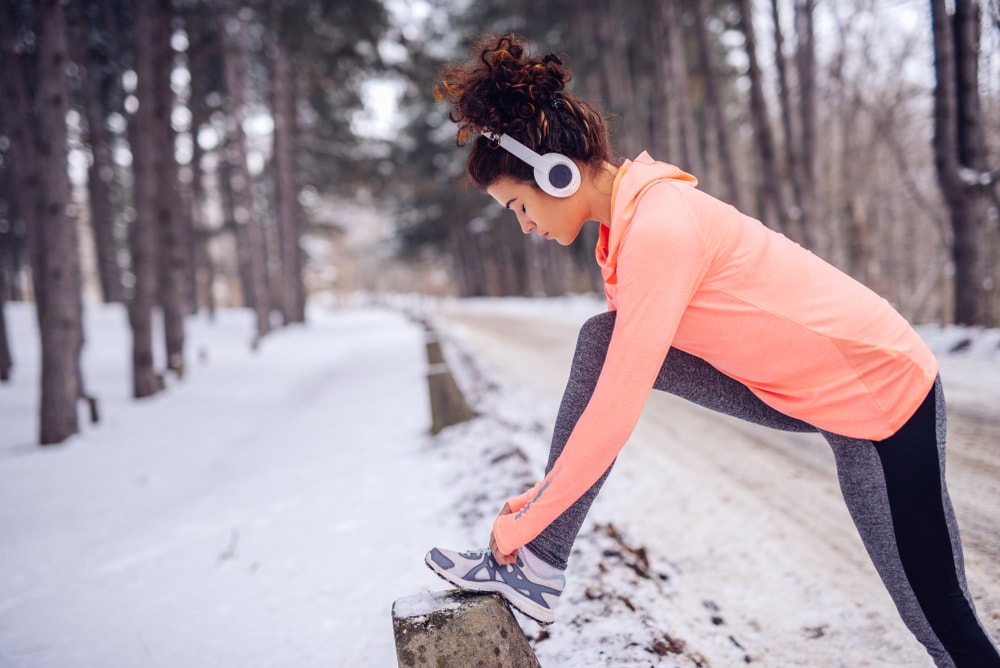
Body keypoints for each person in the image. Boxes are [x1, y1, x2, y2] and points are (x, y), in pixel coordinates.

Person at [424, 32, 1000, 667]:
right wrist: (536, 515)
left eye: (517, 204)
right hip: (808, 392)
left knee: (938, 619)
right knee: (600, 339)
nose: (524, 223)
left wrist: (520, 520)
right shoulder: (630, 227)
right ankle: (541, 562)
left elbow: (613, 412)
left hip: (882, 395)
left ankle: (535, 555)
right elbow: (616, 373)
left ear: (554, 173)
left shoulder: (660, 229)